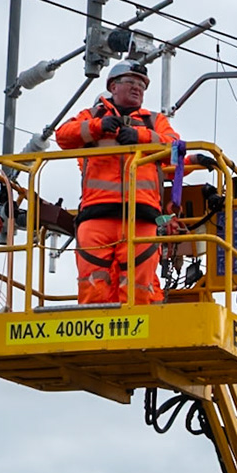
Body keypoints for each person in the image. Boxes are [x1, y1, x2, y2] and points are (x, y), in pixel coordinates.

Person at [54, 59, 181, 305]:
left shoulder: (154, 121)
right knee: (93, 287)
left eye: (142, 86)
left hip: (142, 217)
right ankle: (96, 329)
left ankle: (138, 329)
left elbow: (176, 148)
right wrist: (98, 127)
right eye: (131, 82)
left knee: (139, 288)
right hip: (96, 215)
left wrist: (140, 136)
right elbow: (63, 136)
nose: (137, 89)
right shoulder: (92, 115)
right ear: (113, 87)